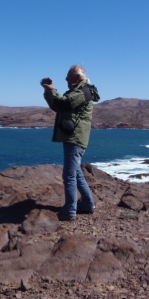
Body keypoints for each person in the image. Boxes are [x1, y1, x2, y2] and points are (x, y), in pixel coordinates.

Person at [41, 65, 101, 221]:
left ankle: (70, 211)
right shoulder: (78, 91)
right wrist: (49, 91)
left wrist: (52, 89)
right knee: (76, 173)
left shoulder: (82, 92)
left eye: (68, 75)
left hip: (75, 138)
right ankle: (88, 204)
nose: (66, 78)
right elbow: (58, 106)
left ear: (78, 77)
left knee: (69, 175)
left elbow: (63, 103)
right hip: (73, 137)